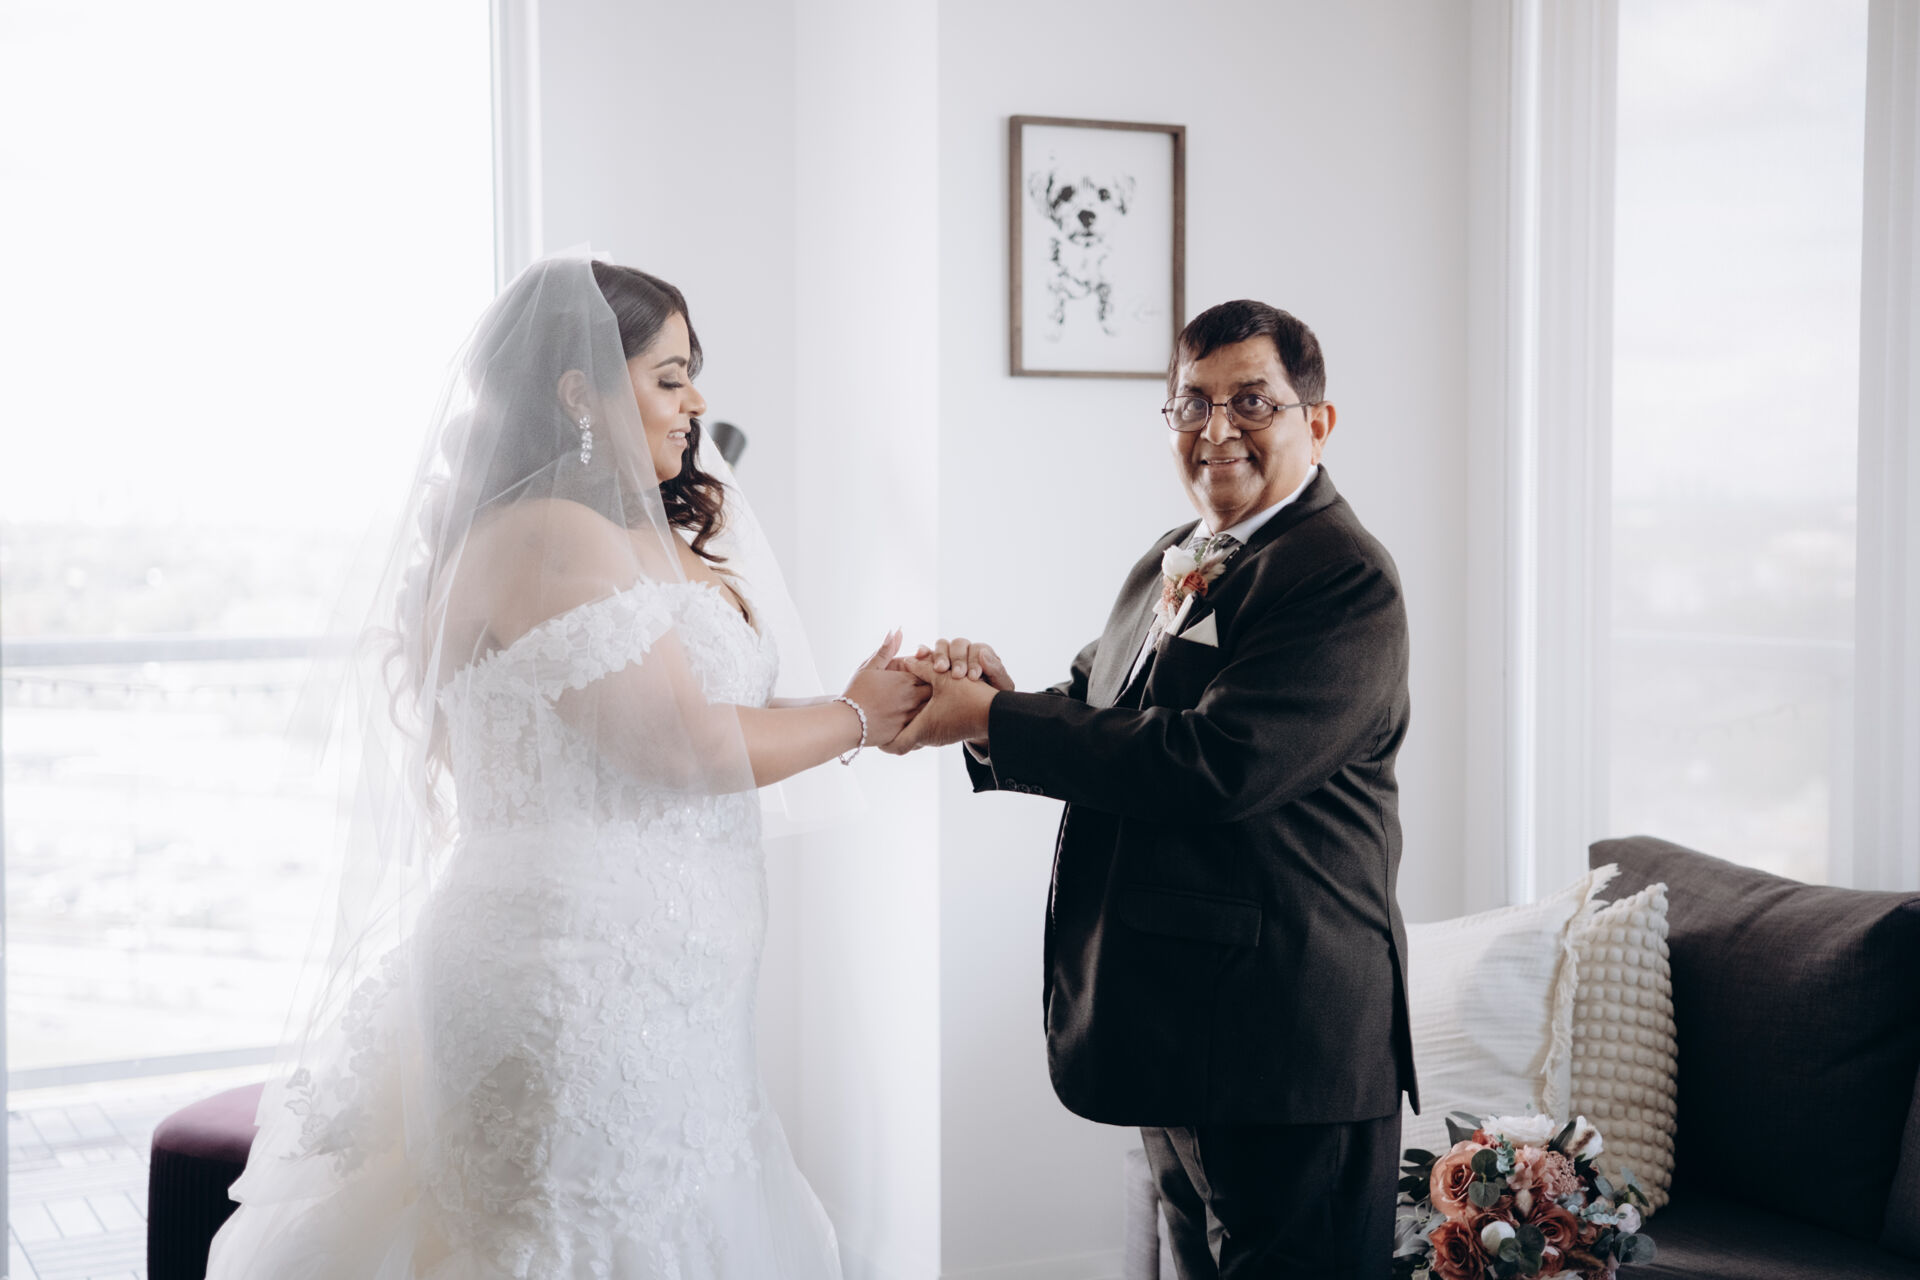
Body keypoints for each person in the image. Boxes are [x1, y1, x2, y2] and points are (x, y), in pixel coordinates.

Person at [205, 255, 927, 1278]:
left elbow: (705, 716)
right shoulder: (550, 533)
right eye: (670, 376)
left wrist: (859, 703)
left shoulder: (622, 533)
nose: (697, 402)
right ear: (581, 391)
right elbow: (678, 745)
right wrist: (855, 720)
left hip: (668, 989)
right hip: (573, 984)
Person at [892, 300, 1419, 1279]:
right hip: (1185, 1024)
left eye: (1251, 402)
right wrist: (990, 699)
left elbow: (1216, 763)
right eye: (1191, 403)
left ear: (1318, 421)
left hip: (1286, 1041)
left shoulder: (1342, 576)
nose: (1216, 429)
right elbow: (1103, 704)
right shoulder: (1172, 555)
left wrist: (996, 719)